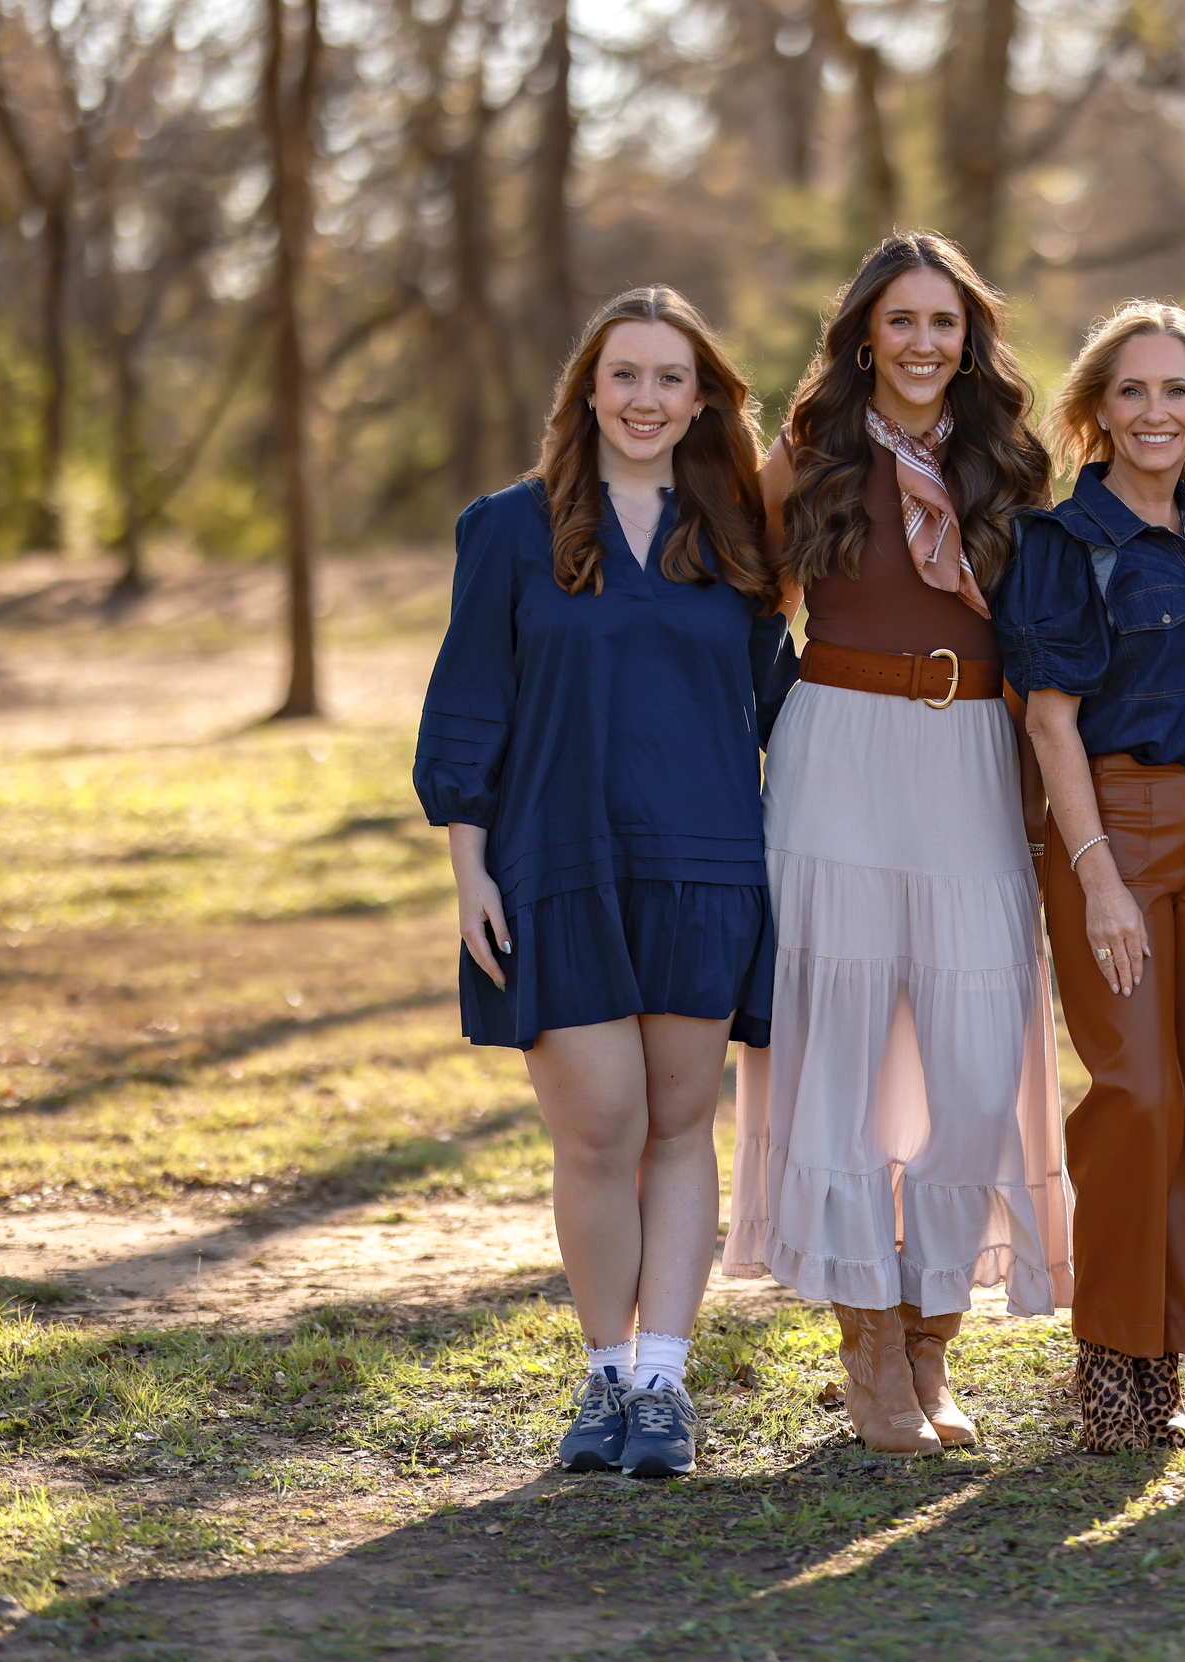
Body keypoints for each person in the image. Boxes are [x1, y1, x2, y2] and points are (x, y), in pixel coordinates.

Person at [413, 287, 792, 1479]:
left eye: (671, 378)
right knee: (597, 1129)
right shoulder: (508, 528)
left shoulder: (736, 539)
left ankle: (665, 1383)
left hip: (703, 864)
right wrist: (469, 867)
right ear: (587, 391)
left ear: (702, 399)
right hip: (556, 863)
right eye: (624, 374)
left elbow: (785, 701)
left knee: (678, 1127)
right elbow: (468, 700)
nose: (645, 398)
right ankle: (605, 1375)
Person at [722, 233, 1069, 1459]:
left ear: (970, 341)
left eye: (945, 323)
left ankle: (934, 1339)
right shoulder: (808, 452)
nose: (924, 343)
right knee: (843, 1053)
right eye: (902, 320)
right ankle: (868, 1348)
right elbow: (749, 607)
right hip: (839, 752)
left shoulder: (1010, 460)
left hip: (971, 753)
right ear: (865, 334)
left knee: (976, 1065)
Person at [995, 301, 1185, 1452]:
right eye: (1132, 391)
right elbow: (1048, 720)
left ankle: (1171, 1358)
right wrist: (1097, 874)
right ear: (1097, 411)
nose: (1156, 411)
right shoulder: (1066, 543)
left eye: (1177, 390)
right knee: (1137, 1093)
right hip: (1114, 825)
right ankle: (1109, 1354)